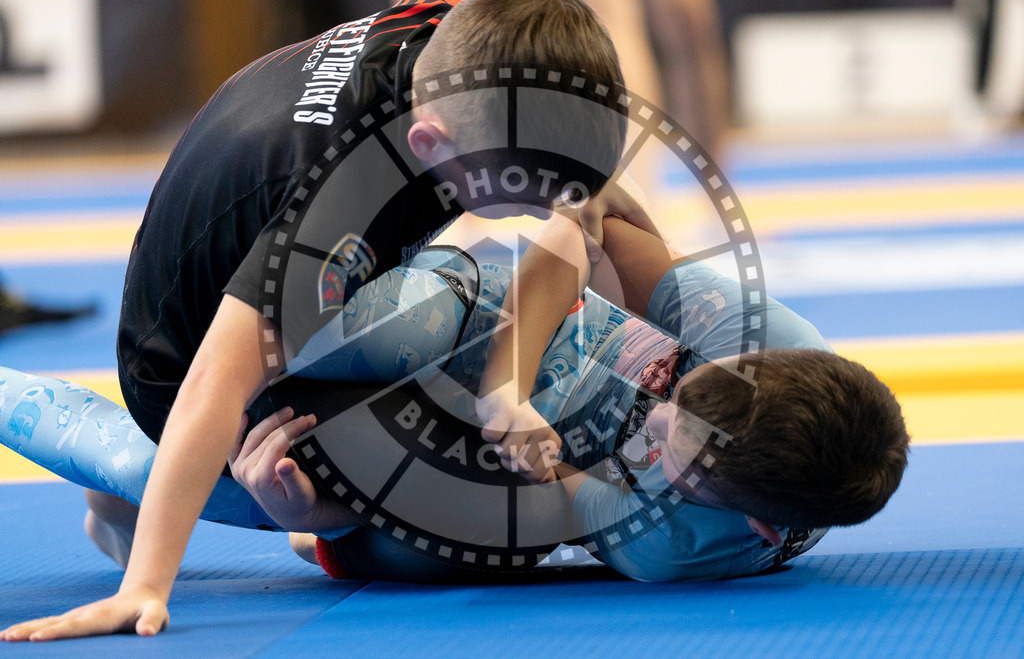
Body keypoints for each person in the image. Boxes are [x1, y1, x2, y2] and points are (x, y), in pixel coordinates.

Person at [1, 0, 659, 641]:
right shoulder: (334, 212)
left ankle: (177, 480)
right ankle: (131, 468)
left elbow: (548, 111)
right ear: (430, 145)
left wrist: (585, 180)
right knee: (475, 510)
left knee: (478, 300)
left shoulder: (473, 24)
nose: (539, 214)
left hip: (271, 247)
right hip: (182, 362)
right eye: (521, 198)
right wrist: (144, 583)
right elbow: (212, 382)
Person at [0, 215, 908, 602]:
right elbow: (581, 220)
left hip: (466, 459)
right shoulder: (769, 339)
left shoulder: (666, 544)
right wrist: (510, 385)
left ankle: (147, 475)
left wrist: (305, 509)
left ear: (745, 517)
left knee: (161, 472)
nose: (660, 415)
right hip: (491, 326)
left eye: (673, 449)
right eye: (687, 392)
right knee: (388, 328)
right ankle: (211, 362)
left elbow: (496, 513)